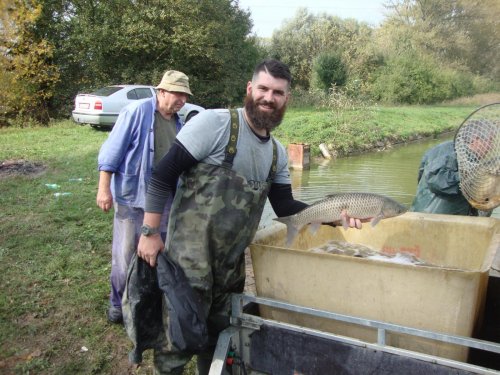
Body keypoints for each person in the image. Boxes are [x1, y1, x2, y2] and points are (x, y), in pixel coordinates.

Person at [126, 59, 362, 374]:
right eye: (263, 88)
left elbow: (287, 209)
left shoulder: (277, 154)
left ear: (286, 99)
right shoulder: (215, 124)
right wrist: (149, 232)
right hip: (186, 266)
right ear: (250, 89)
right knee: (176, 344)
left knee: (218, 340)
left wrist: (337, 215)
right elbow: (163, 175)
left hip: (229, 272)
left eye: (277, 92)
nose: (269, 97)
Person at [96, 70, 193, 324]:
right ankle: (118, 305)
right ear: (161, 91)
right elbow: (111, 151)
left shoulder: (179, 123)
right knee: (125, 254)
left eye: (185, 94)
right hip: (132, 196)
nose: (182, 99)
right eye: (177, 93)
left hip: (164, 200)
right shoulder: (137, 112)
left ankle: (146, 304)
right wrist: (103, 188)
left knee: (156, 252)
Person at [410, 127, 494, 216]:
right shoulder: (449, 151)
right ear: (476, 139)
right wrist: (476, 176)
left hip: (447, 219)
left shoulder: (468, 157)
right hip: (433, 219)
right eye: (490, 141)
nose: (491, 146)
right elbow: (438, 182)